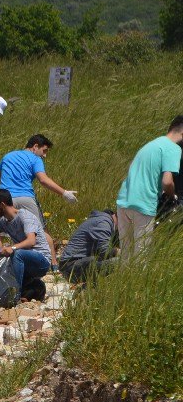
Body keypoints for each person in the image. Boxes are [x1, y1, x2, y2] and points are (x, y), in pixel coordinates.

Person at [0, 134, 77, 267]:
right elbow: (43, 180)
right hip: (26, 198)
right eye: (44, 150)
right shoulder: (35, 159)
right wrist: (64, 193)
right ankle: (53, 265)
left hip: (5, 200)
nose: (44, 155)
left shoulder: (8, 156)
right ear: (35, 146)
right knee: (41, 230)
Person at [116, 115, 183, 256]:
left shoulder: (151, 145)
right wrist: (173, 196)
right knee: (141, 257)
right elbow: (167, 182)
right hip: (144, 203)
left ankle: (124, 277)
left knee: (126, 254)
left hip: (124, 201)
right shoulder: (173, 149)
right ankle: (136, 279)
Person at [0, 189, 52, 295]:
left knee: (17, 254)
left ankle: (15, 293)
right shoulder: (5, 221)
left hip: (41, 261)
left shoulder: (25, 216)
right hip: (22, 258)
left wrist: (12, 248)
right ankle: (5, 283)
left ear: (2, 205)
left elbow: (31, 241)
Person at [58, 210, 118, 283]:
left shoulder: (103, 220)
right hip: (71, 268)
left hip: (76, 264)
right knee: (120, 262)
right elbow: (104, 252)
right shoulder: (103, 222)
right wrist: (119, 251)